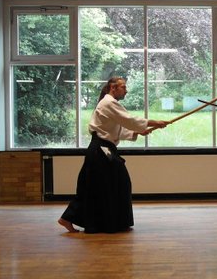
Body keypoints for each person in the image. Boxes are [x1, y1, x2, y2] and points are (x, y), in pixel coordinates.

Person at [58, 77, 168, 233]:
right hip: (99, 150)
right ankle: (69, 219)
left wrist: (137, 131)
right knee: (96, 186)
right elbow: (128, 119)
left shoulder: (110, 104)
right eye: (123, 87)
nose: (126, 90)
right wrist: (154, 122)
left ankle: (113, 222)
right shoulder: (108, 103)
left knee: (113, 184)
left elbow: (117, 128)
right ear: (113, 88)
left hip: (104, 149)